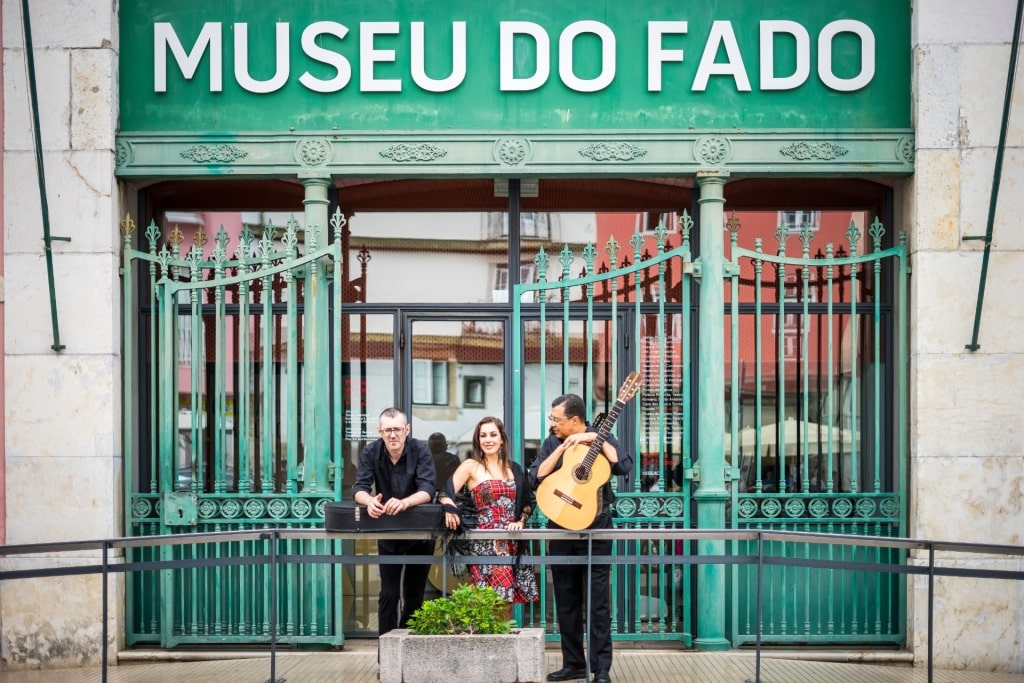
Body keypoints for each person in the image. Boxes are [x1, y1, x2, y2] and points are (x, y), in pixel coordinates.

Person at [528, 394, 634, 683]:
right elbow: (534, 476)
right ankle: (573, 663)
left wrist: (592, 439)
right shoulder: (553, 441)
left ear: (575, 420)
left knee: (597, 604)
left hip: (596, 530)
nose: (552, 423)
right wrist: (563, 447)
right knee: (566, 602)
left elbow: (624, 466)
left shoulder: (602, 437)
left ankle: (601, 669)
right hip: (560, 529)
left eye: (557, 419)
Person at [437, 416, 539, 617]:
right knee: (485, 600)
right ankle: (485, 643)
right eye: (483, 435)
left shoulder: (515, 468)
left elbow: (528, 503)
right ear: (478, 440)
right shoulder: (470, 466)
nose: (488, 439)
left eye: (493, 434)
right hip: (484, 540)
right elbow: (444, 492)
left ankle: (504, 646)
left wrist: (520, 521)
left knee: (506, 601)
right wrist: (448, 505)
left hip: (512, 540)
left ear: (502, 439)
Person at [352, 407, 436, 635]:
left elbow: (428, 489)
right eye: (388, 430)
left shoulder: (421, 449)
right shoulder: (370, 452)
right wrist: (369, 501)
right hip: (389, 534)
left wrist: (405, 502)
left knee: (414, 595)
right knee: (388, 594)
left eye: (397, 429)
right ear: (379, 431)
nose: (393, 435)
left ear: (406, 430)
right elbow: (359, 488)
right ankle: (387, 654)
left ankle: (407, 650)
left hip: (420, 535)